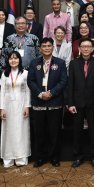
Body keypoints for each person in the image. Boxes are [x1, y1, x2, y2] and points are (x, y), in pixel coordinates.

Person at [28, 37, 68, 167]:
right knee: (39, 132)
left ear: (53, 47)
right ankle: (40, 157)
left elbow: (63, 81)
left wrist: (51, 93)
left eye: (49, 46)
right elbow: (30, 81)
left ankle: (54, 157)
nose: (46, 48)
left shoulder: (60, 63)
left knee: (54, 132)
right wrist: (40, 94)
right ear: (40, 48)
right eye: (44, 46)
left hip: (54, 102)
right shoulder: (34, 63)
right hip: (38, 102)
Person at [66, 37, 94, 168]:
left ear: (92, 49)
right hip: (77, 103)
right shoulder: (73, 64)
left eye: (88, 46)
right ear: (79, 48)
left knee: (93, 131)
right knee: (77, 131)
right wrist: (70, 103)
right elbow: (70, 84)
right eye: (83, 46)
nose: (86, 49)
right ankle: (78, 156)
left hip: (93, 103)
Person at [0, 51, 30, 168]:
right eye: (11, 58)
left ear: (19, 60)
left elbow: (28, 91)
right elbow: (2, 91)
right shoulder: (5, 74)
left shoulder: (25, 73)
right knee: (9, 131)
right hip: (8, 106)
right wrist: (2, 108)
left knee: (21, 131)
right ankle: (8, 158)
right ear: (8, 61)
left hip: (21, 105)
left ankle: (21, 157)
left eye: (15, 58)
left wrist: (27, 106)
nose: (13, 60)